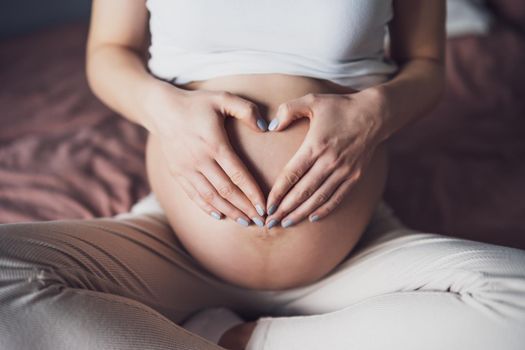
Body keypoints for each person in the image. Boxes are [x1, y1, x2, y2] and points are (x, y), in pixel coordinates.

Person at [0, 0, 524, 349]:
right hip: (168, 246)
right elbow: (108, 53)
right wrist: (163, 111)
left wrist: (374, 113)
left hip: (355, 250)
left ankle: (239, 339)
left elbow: (427, 63)